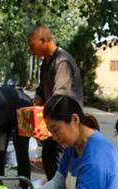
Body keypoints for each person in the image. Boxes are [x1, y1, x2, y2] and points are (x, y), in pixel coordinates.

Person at [27, 24, 84, 180]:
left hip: (63, 120)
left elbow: (59, 97)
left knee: (61, 164)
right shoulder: (46, 63)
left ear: (44, 41)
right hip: (53, 119)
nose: (31, 51)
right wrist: (36, 104)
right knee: (49, 159)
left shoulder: (62, 61)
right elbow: (41, 90)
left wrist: (44, 122)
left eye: (32, 46)